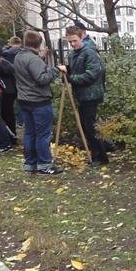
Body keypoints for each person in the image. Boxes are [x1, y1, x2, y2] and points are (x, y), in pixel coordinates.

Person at [13, 30, 62, 175]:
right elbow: (42, 79)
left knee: (30, 133)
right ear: (39, 43)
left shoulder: (19, 56)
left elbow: (30, 71)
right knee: (43, 134)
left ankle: (30, 163)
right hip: (39, 101)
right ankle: (45, 164)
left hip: (24, 100)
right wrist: (56, 70)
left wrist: (41, 58)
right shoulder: (33, 59)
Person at [58, 25, 107, 166]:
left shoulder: (89, 53)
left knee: (90, 127)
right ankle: (103, 148)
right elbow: (73, 69)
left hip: (91, 94)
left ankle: (100, 157)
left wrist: (71, 78)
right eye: (70, 42)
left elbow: (91, 74)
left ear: (81, 37)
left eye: (74, 41)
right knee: (87, 126)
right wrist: (66, 71)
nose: (72, 44)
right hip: (81, 94)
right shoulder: (73, 53)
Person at [0, 36, 21, 135]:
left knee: (8, 110)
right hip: (19, 81)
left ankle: (12, 130)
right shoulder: (22, 53)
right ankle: (20, 121)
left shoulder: (5, 55)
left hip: (7, 85)